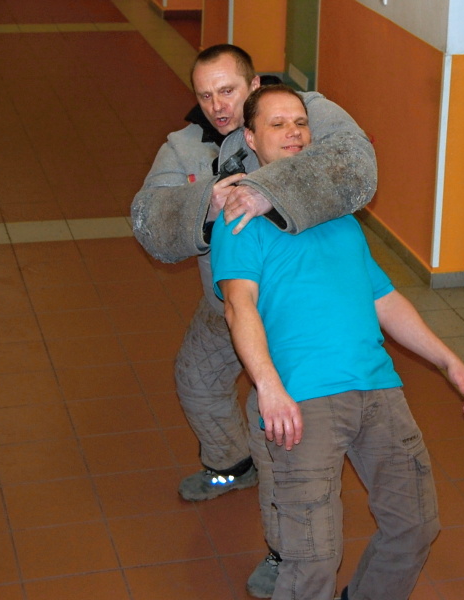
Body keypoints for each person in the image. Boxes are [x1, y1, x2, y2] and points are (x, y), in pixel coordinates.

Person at [211, 84, 464, 600]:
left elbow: (384, 299)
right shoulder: (240, 217)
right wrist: (269, 388)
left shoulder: (336, 214)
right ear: (250, 137)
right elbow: (237, 307)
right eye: (277, 124)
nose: (293, 132)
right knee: (312, 560)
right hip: (303, 401)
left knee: (415, 526)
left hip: (379, 391)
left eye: (300, 122)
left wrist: (449, 362)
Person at [131, 45, 376, 597]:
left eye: (228, 91)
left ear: (255, 84)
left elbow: (357, 165)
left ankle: (286, 552)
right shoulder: (184, 146)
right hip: (229, 305)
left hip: (297, 314)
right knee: (196, 380)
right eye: (205, 95)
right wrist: (205, 204)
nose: (217, 106)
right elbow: (147, 218)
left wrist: (267, 192)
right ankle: (231, 462)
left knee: (275, 430)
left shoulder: (300, 113)